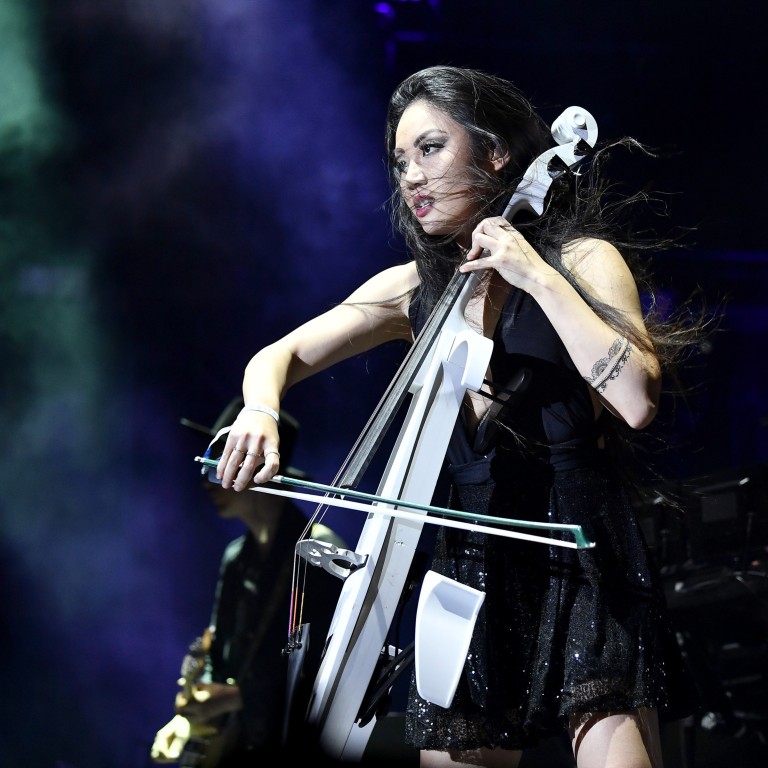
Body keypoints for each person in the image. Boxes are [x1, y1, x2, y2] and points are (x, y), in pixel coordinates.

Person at [213, 66, 705, 768]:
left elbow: (635, 398)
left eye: (431, 149)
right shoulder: (414, 289)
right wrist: (261, 408)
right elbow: (279, 354)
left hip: (581, 553)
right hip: (466, 564)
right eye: (400, 161)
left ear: (495, 152)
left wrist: (537, 275)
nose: (411, 176)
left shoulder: (583, 261)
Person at [151, 397, 346, 766]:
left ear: (258, 468)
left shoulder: (319, 553)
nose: (207, 481)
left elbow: (330, 668)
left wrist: (239, 696)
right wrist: (195, 709)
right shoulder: (235, 558)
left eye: (220, 461)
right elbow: (219, 648)